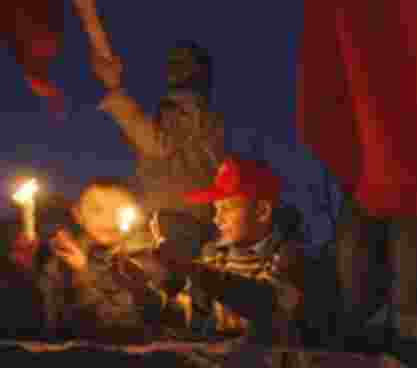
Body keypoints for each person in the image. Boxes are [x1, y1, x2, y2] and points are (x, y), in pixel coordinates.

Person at [125, 156, 306, 346]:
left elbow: (266, 302)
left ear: (262, 211)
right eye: (216, 209)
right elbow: (186, 319)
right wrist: (141, 291)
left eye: (227, 208)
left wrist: (190, 268)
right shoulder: (215, 256)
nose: (217, 219)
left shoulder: (292, 256)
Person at [90, 40, 225, 261]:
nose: (173, 69)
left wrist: (115, 91)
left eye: (182, 63)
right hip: (184, 215)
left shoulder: (188, 107)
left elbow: (156, 145)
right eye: (172, 62)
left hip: (182, 218)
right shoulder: (190, 110)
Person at [6, 178, 164, 343]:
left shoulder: (146, 263)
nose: (108, 220)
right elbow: (37, 324)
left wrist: (82, 273)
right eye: (97, 210)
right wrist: (23, 271)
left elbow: (122, 329)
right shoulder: (62, 261)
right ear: (78, 214)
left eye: (119, 210)